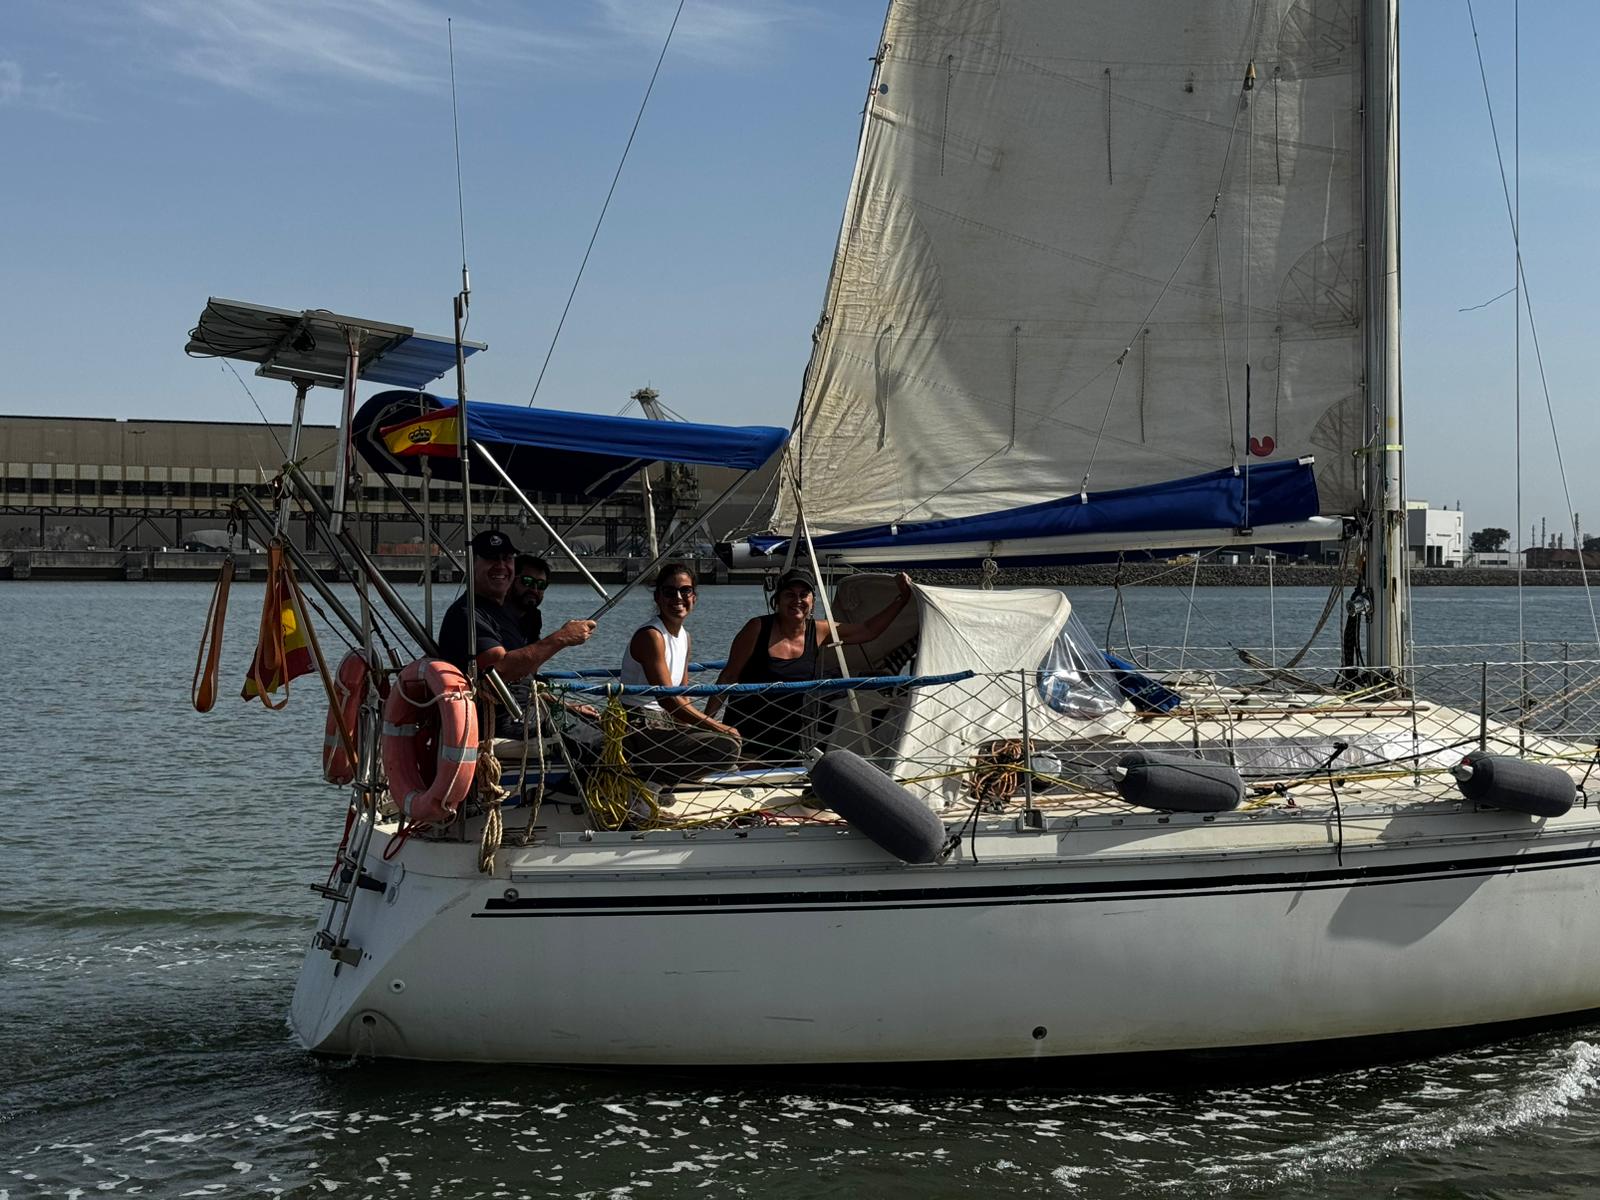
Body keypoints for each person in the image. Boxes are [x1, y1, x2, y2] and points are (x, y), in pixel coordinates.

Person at [708, 568, 915, 763]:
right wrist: (705, 721)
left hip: (791, 734)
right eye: (789, 594)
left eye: (803, 594)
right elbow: (728, 677)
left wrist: (902, 598)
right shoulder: (757, 628)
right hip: (748, 731)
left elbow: (868, 631)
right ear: (777, 600)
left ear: (812, 602)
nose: (797, 600)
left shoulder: (818, 631)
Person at [436, 530, 595, 737]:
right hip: (501, 722)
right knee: (599, 742)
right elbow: (500, 671)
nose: (501, 565)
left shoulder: (506, 614)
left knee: (603, 725)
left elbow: (524, 680)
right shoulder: (467, 614)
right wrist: (562, 637)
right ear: (472, 564)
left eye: (507, 558)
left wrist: (566, 705)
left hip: (525, 712)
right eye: (491, 558)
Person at [616, 563, 740, 791]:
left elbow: (681, 695)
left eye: (685, 591)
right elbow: (667, 699)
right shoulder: (651, 636)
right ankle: (647, 784)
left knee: (728, 755)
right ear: (658, 598)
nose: (678, 597)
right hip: (639, 727)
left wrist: (697, 729)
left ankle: (661, 781)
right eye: (669, 592)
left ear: (695, 597)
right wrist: (716, 726)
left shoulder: (685, 637)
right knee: (726, 747)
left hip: (665, 723)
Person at [507, 553, 551, 642]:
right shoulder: (491, 616)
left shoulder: (533, 616)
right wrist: (561, 638)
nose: (534, 589)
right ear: (510, 580)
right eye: (527, 581)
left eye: (541, 584)